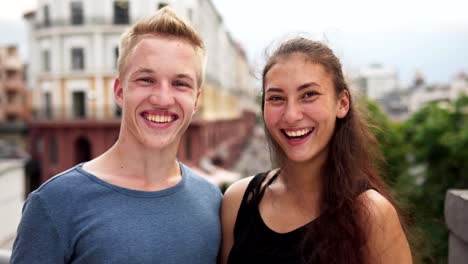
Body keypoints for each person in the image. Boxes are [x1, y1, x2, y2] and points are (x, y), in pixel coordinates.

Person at [12, 7, 222, 264]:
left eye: (180, 84)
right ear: (120, 91)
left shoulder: (212, 201)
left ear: (196, 101)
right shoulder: (54, 204)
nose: (163, 98)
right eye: (146, 80)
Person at [220, 37, 412, 264]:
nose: (291, 115)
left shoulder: (371, 214)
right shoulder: (238, 200)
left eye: (309, 95)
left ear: (342, 103)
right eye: (276, 98)